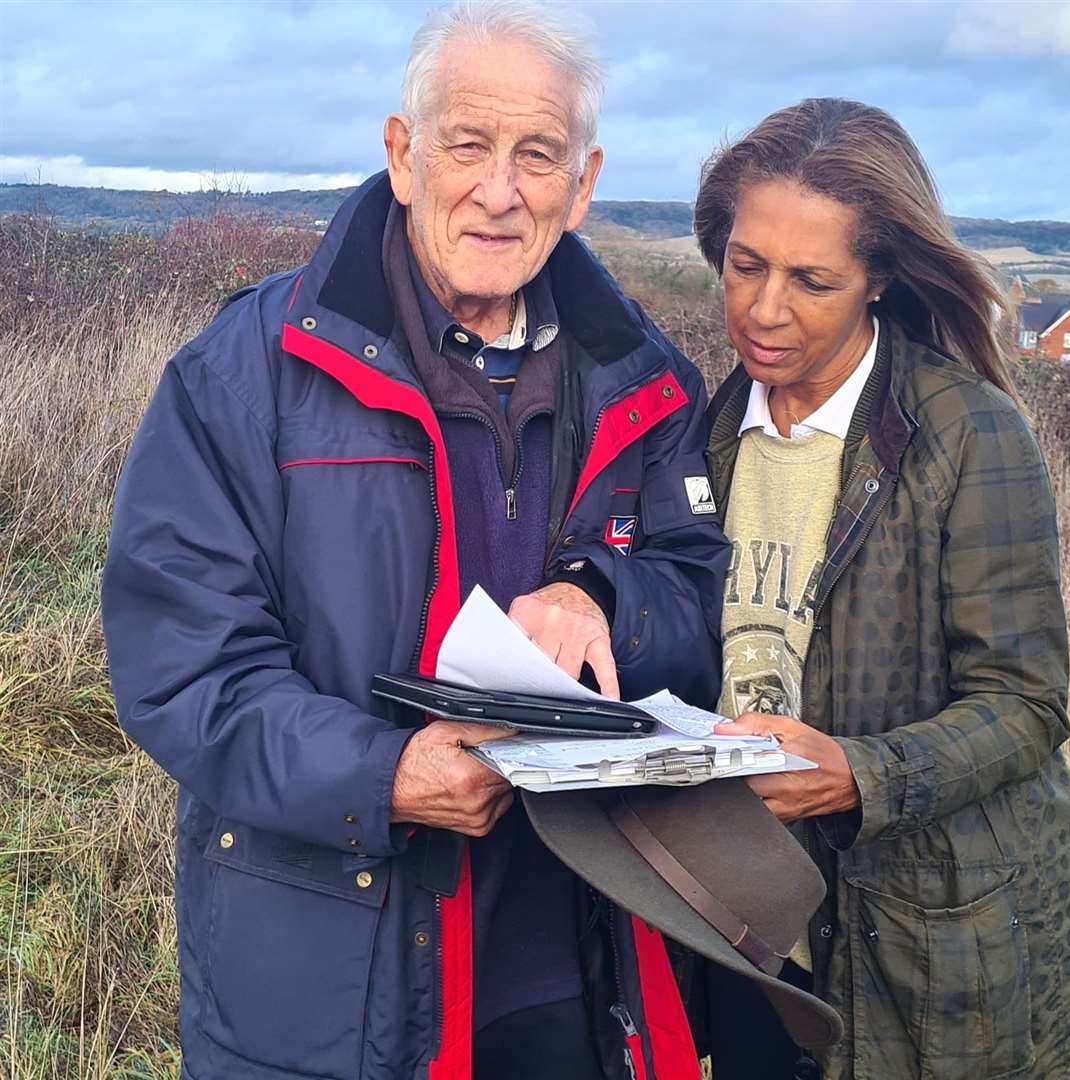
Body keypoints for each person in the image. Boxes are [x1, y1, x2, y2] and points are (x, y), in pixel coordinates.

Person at [100, 4, 728, 1078]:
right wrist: (385, 772)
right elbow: (183, 668)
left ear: (583, 184)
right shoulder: (240, 377)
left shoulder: (650, 382)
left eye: (538, 154)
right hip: (335, 977)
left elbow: (702, 591)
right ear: (403, 154)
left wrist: (602, 594)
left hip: (582, 965)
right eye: (467, 144)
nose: (500, 189)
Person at [693, 98, 1070, 1079]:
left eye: (812, 280)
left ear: (878, 278)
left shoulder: (967, 436)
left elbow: (1025, 708)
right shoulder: (704, 431)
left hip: (914, 936)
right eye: (745, 265)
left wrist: (859, 773)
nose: (764, 308)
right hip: (746, 930)